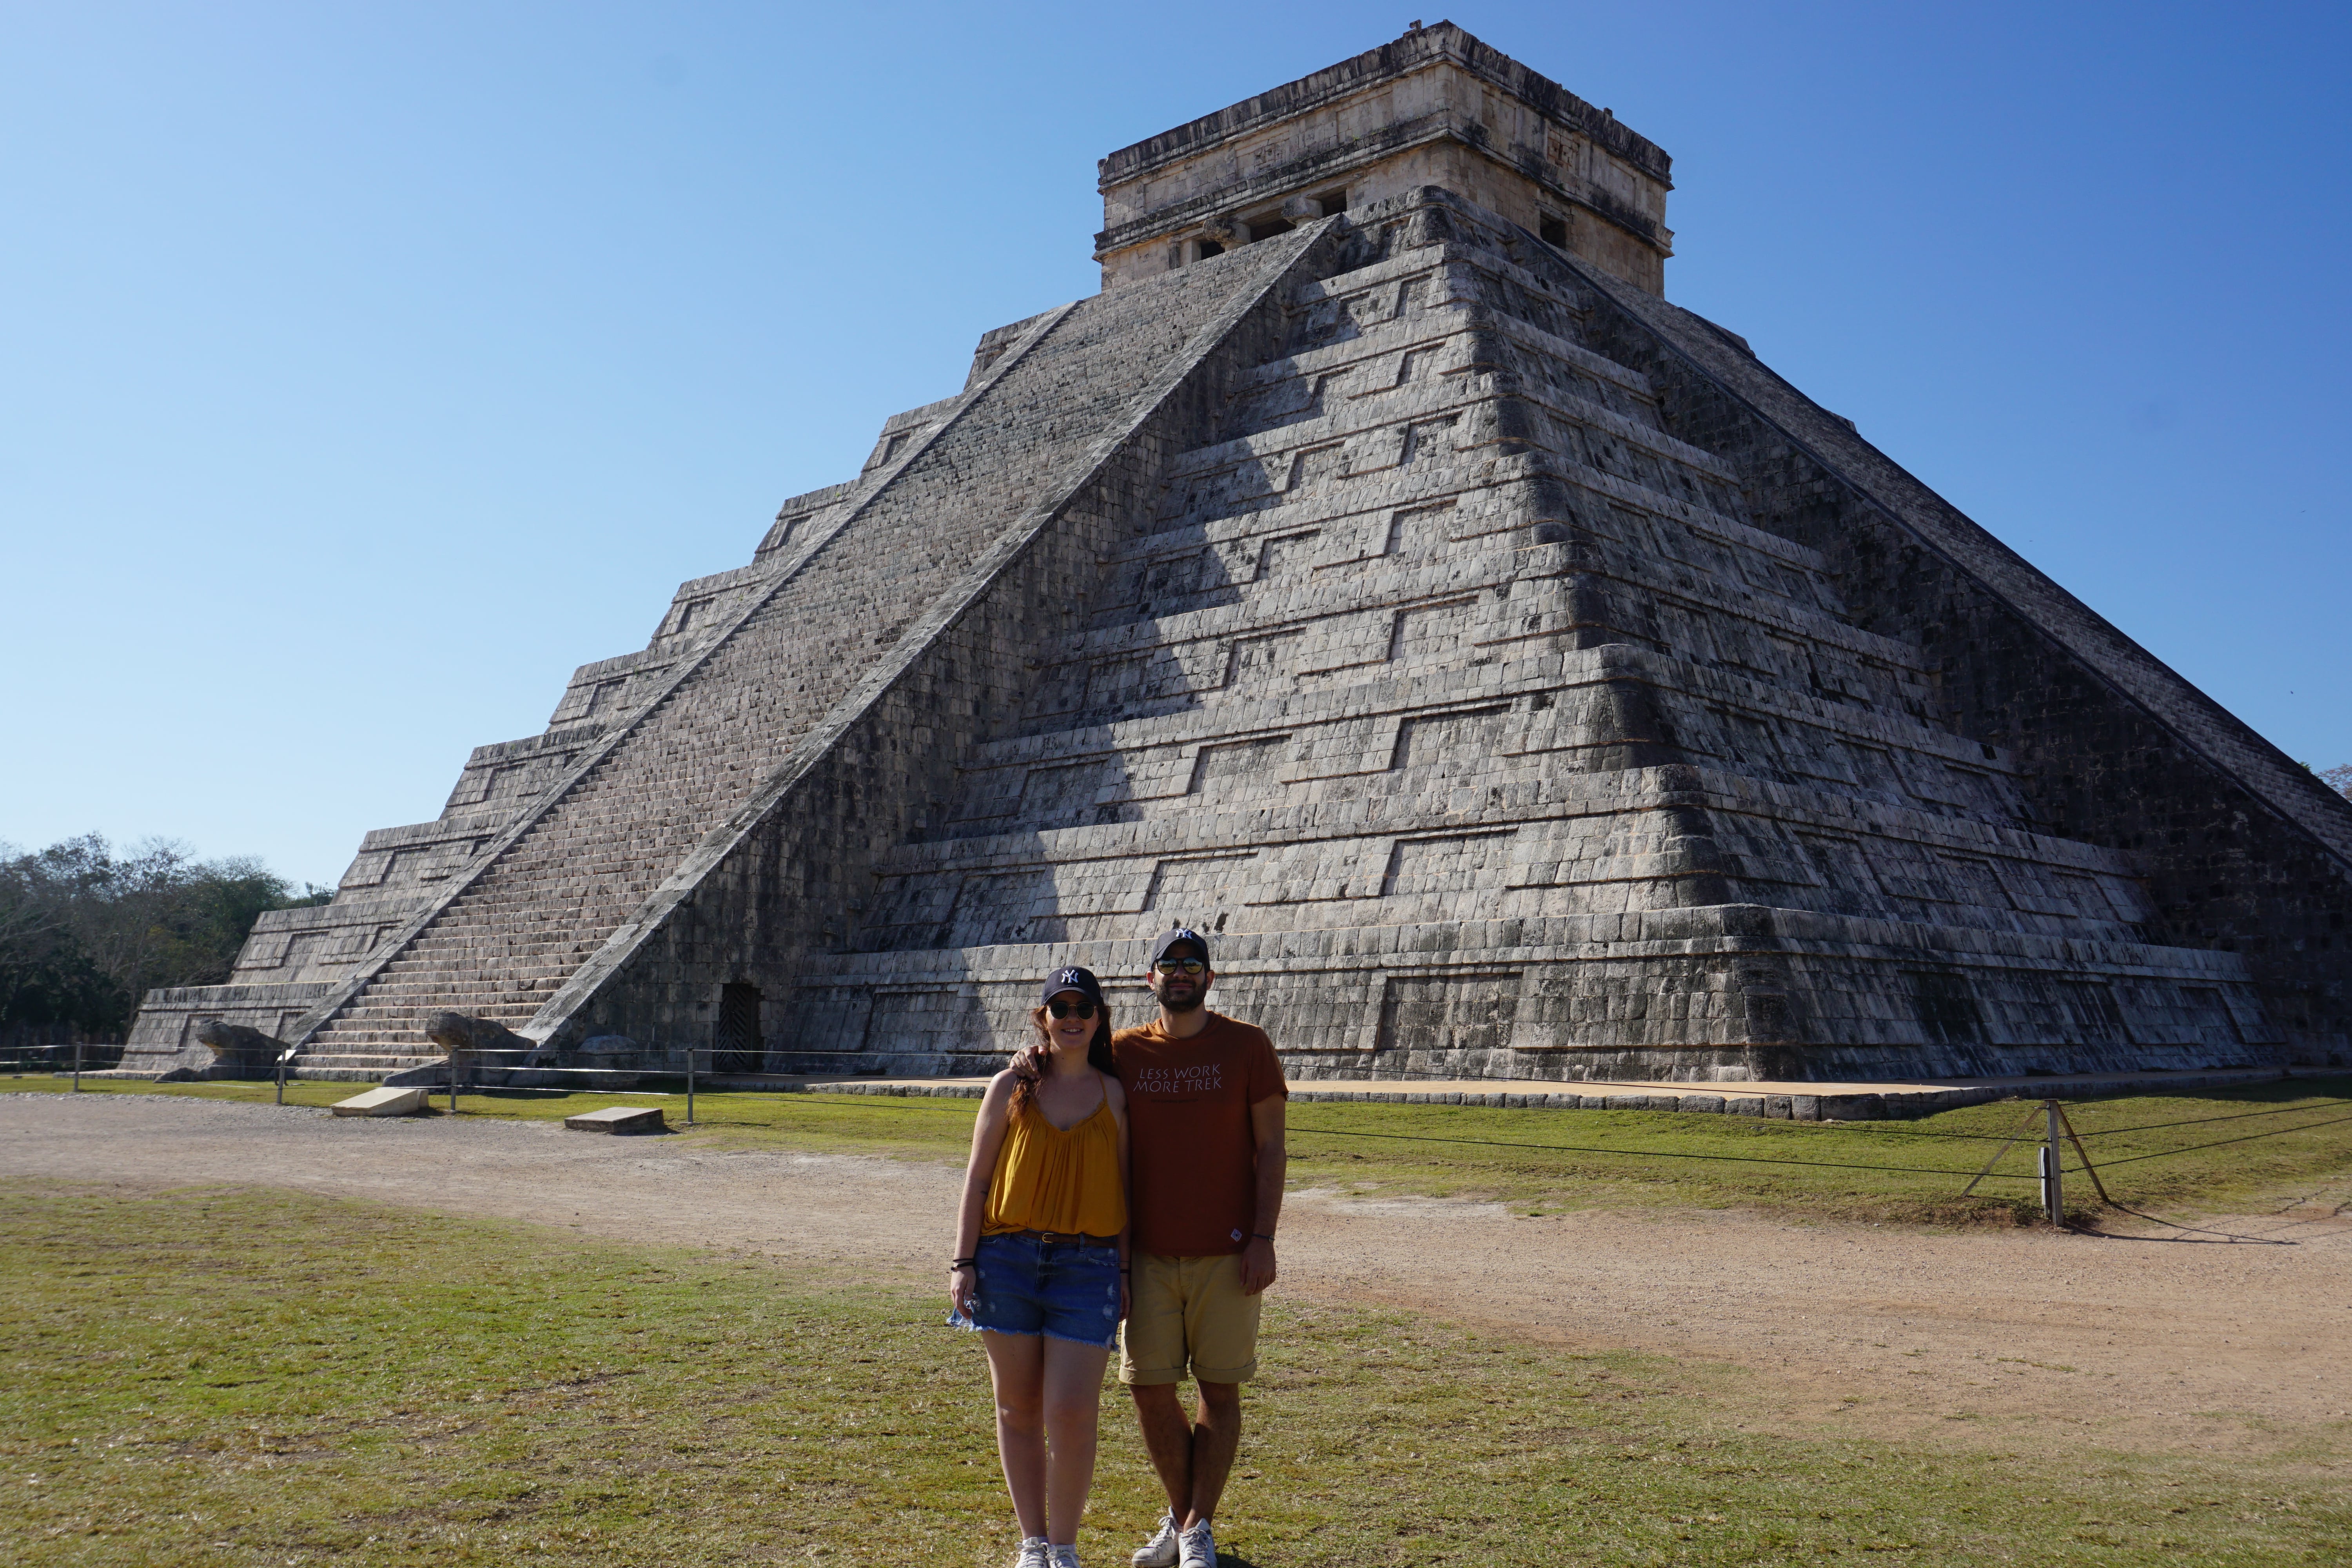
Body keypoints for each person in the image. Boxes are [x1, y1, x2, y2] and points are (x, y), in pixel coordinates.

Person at [1112, 928, 1287, 1568]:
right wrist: (1028, 1060)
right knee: (1148, 1388)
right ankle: (1188, 1522)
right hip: (1148, 1256)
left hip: (1229, 1250)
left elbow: (1271, 1147)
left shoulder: (1247, 1047)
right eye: (1169, 965)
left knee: (1219, 1389)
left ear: (1209, 980)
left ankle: (1193, 1529)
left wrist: (1264, 1238)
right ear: (1149, 979)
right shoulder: (1122, 1051)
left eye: (1192, 966)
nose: (1180, 974)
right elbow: (1063, 1073)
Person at [950, 966, 1132, 1568]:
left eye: (1084, 1006)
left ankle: (1065, 1545)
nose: (1072, 1016)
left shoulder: (1114, 1093)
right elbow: (977, 1181)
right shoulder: (1012, 1086)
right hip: (1008, 1259)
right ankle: (1033, 1542)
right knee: (1017, 1407)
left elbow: (1126, 1190)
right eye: (1061, 1007)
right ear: (1043, 1019)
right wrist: (963, 1261)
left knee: (1073, 1411)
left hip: (1088, 1265)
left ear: (1100, 1018)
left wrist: (1125, 1274)